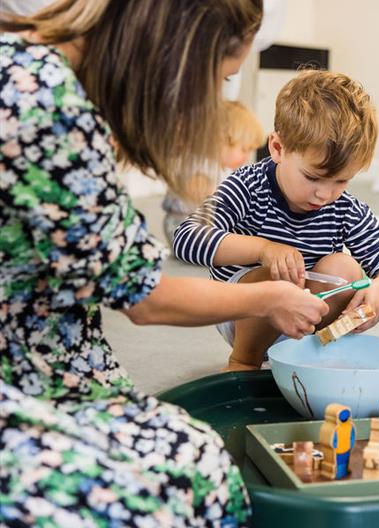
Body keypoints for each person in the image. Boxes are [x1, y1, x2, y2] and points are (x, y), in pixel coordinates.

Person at [0, 0, 329, 525]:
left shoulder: (35, 71)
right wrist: (268, 295)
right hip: (26, 367)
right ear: (178, 54)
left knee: (191, 450)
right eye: (220, 78)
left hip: (45, 346)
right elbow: (145, 296)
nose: (217, 99)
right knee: (192, 468)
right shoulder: (51, 108)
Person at [173, 70, 379, 372]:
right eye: (312, 177)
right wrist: (263, 250)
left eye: (341, 181)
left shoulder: (345, 208)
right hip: (245, 315)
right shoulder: (247, 186)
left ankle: (313, 358)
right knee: (280, 274)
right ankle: (244, 362)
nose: (325, 194)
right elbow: (187, 238)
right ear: (278, 148)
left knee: (346, 269)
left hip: (307, 317)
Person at [161, 100, 266, 244]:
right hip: (183, 232)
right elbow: (202, 199)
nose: (247, 157)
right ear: (220, 141)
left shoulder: (219, 168)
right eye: (243, 150)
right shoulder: (200, 167)